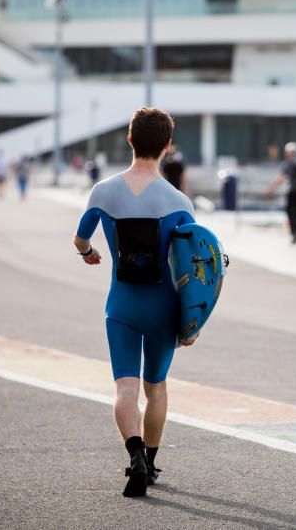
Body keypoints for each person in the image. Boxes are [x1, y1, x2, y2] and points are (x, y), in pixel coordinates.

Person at [73, 107, 198, 498]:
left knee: (124, 388)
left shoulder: (103, 191)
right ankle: (153, 462)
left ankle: (135, 455)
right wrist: (192, 322)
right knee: (156, 388)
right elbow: (194, 270)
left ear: (129, 140)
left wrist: (89, 252)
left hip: (121, 306)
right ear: (166, 146)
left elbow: (80, 238)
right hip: (163, 309)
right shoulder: (179, 201)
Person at [265, 142, 296, 243]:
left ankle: (295, 231)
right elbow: (282, 178)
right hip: (292, 191)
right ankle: (294, 232)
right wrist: (271, 188)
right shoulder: (288, 164)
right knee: (291, 212)